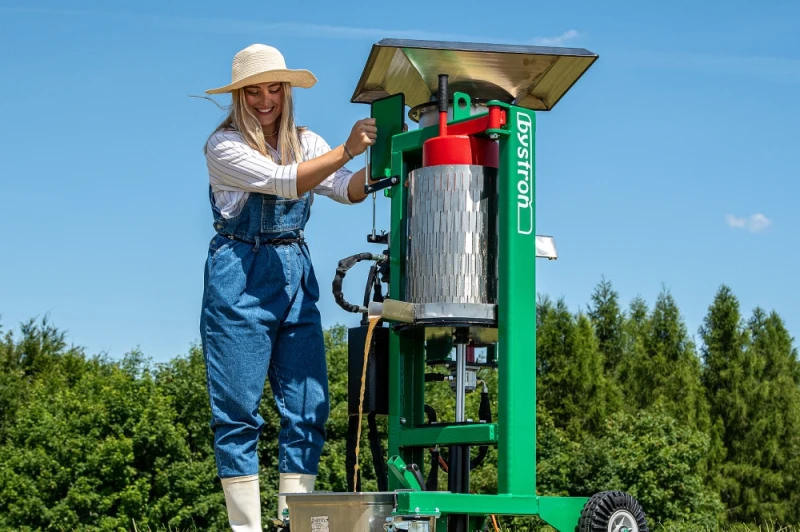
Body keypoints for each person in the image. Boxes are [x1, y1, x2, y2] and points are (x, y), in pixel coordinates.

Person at [199, 43, 376, 531]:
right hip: (240, 271)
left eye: (273, 88)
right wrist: (347, 148)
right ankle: (247, 528)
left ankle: (293, 523)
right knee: (238, 412)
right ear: (239, 96)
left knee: (308, 405)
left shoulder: (307, 140)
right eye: (252, 91)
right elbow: (282, 181)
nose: (264, 100)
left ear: (286, 90)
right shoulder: (223, 146)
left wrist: (390, 161)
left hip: (295, 269)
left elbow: (344, 188)